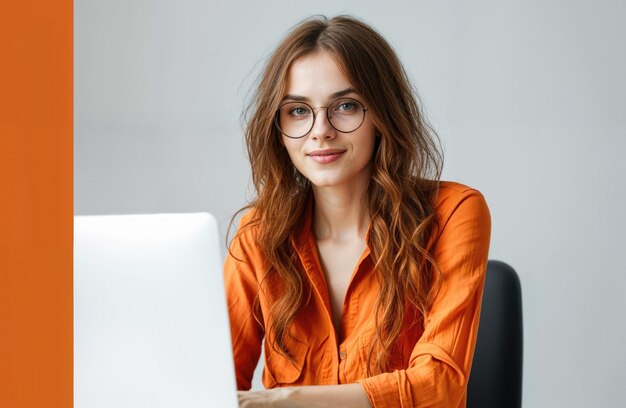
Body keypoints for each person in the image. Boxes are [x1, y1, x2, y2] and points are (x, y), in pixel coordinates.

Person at [224, 15, 491, 408]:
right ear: (276, 127)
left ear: (382, 115)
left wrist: (287, 400)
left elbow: (440, 386)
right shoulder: (257, 235)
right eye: (298, 110)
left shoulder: (454, 213)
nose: (320, 130)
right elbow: (210, 380)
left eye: (345, 106)